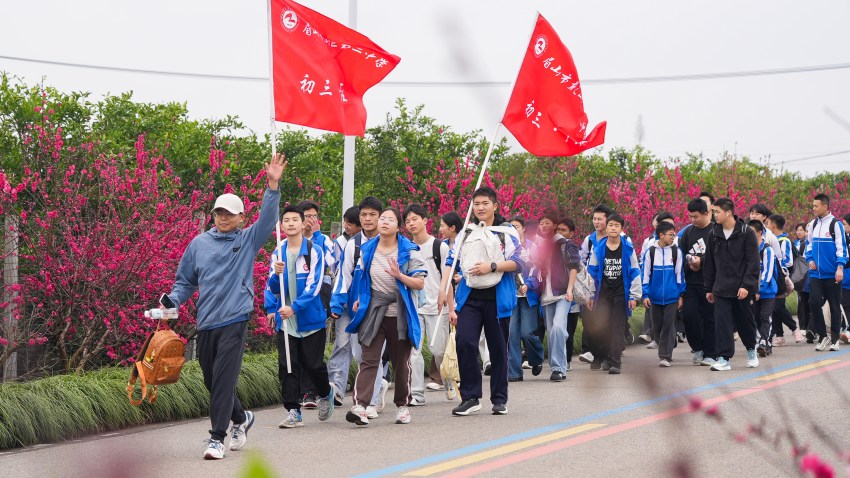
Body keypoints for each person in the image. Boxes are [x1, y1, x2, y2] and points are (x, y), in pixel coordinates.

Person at [165, 153, 285, 460]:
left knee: (223, 380)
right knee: (210, 379)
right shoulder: (199, 244)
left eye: (230, 214)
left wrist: (272, 185)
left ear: (241, 218)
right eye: (219, 212)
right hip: (206, 322)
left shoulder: (247, 240)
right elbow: (185, 281)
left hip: (235, 319)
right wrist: (172, 300)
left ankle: (216, 438)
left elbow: (269, 218)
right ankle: (241, 418)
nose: (223, 218)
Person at [440, 187, 523, 416]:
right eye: (476, 204)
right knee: (465, 343)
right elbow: (451, 261)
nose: (480, 208)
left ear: (495, 206)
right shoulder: (466, 232)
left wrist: (492, 267)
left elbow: (519, 262)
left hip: (498, 299)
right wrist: (443, 289)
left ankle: (499, 398)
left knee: (497, 350)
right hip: (469, 298)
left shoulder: (506, 233)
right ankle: (471, 397)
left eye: (485, 203)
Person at [345, 208, 426, 426]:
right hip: (374, 311)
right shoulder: (368, 248)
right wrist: (362, 299)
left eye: (390, 219)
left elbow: (419, 283)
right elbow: (362, 279)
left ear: (398, 227)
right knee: (369, 359)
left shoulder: (409, 250)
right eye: (383, 218)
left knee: (401, 362)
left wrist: (400, 276)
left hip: (400, 313)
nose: (384, 222)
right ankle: (360, 406)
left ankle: (402, 406)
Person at [265, 205, 335, 429]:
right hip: (287, 322)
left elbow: (314, 287)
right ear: (281, 225)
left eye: (295, 219)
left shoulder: (314, 251)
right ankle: (293, 410)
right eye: (287, 220)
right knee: (287, 366)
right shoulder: (278, 252)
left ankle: (325, 393)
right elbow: (272, 287)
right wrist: (271, 306)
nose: (291, 223)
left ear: (303, 222)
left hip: (309, 319)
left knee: (313, 365)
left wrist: (293, 308)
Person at [328, 197, 386, 417]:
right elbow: (343, 277)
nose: (368, 219)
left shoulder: (389, 241)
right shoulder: (353, 244)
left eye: (373, 214)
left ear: (380, 216)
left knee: (369, 355)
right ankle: (361, 392)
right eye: (364, 215)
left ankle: (369, 402)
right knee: (353, 350)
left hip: (378, 308)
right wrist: (337, 303)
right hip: (352, 309)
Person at [703, 198, 760, 371]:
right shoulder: (713, 234)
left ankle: (751, 350)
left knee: (745, 323)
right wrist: (709, 288)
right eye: (714, 212)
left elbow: (753, 262)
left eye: (717, 212)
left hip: (741, 288)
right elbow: (709, 263)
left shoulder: (745, 232)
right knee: (722, 324)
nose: (715, 216)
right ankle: (724, 358)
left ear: (728, 212)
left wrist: (746, 285)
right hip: (721, 288)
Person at [404, 204, 451, 404]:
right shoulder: (406, 247)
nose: (411, 223)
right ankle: (416, 393)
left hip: (438, 307)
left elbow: (447, 278)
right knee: (414, 350)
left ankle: (450, 382)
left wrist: (451, 306)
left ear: (425, 220)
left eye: (414, 219)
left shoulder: (439, 246)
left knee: (438, 350)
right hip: (414, 307)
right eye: (407, 221)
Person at [586, 214, 642, 374]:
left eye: (616, 225)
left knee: (617, 327)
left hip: (620, 295)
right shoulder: (599, 248)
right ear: (606, 227)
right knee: (603, 327)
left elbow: (635, 271)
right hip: (603, 295)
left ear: (621, 229)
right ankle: (607, 357)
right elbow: (592, 272)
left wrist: (633, 296)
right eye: (610, 225)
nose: (613, 228)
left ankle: (615, 362)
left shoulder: (627, 248)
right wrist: (591, 295)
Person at [531, 211, 580, 380]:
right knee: (552, 332)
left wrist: (569, 289)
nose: (543, 226)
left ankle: (559, 367)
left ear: (554, 226)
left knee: (559, 328)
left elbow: (574, 266)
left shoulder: (565, 244)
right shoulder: (541, 247)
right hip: (546, 296)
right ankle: (556, 368)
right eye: (541, 223)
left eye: (547, 222)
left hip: (562, 295)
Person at [805, 193, 847, 351]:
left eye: (816, 206)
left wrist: (840, 267)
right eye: (813, 205)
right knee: (813, 303)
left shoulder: (835, 224)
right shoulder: (813, 224)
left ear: (825, 206)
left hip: (833, 275)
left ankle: (835, 339)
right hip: (816, 275)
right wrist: (810, 259)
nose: (813, 208)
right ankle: (823, 336)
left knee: (835, 306)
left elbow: (841, 248)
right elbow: (808, 245)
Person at [641, 221, 685, 367]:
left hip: (672, 297)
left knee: (668, 325)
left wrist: (680, 295)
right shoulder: (651, 253)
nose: (673, 237)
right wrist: (645, 294)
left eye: (674, 234)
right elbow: (645, 275)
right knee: (657, 327)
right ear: (661, 235)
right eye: (670, 235)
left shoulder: (676, 252)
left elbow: (680, 275)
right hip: (655, 297)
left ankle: (665, 356)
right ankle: (669, 342)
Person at [679, 198, 717, 366]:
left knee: (710, 318)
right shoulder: (688, 233)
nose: (692, 220)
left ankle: (710, 352)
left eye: (695, 216)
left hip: (711, 284)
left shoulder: (716, 231)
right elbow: (681, 257)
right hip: (692, 284)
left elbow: (721, 257)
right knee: (689, 316)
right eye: (690, 217)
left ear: (706, 213)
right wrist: (690, 265)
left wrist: (701, 261)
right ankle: (698, 347)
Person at [507, 214, 544, 382]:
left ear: (523, 228)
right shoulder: (506, 248)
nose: (514, 229)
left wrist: (528, 285)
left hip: (528, 296)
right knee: (512, 333)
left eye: (516, 226)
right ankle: (514, 371)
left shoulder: (532, 247)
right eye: (511, 227)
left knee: (527, 332)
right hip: (511, 296)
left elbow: (537, 270)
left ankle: (536, 358)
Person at [577, 205, 615, 365]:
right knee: (589, 319)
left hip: (610, 286)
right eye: (594, 218)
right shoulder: (589, 240)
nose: (596, 222)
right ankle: (595, 352)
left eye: (600, 219)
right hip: (591, 287)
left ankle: (606, 356)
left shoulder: (617, 238)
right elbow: (581, 260)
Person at [638, 211, 675, 348]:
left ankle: (667, 347)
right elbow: (644, 264)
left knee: (669, 320)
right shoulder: (649, 243)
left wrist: (680, 291)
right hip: (655, 285)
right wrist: (645, 290)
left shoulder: (676, 244)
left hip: (671, 289)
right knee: (656, 315)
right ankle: (656, 337)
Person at [764, 214, 802, 345]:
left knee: (778, 306)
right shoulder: (769, 239)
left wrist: (778, 266)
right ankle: (779, 335)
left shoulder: (784, 241)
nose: (766, 226)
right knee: (772, 306)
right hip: (772, 275)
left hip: (781, 277)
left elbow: (788, 261)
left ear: (773, 225)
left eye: (767, 223)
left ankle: (794, 328)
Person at [748, 219, 778, 357]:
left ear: (760, 232)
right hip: (752, 292)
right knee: (756, 319)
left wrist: (760, 289)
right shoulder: (747, 249)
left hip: (767, 292)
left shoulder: (767, 250)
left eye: (752, 232)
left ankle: (764, 342)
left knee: (765, 317)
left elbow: (768, 272)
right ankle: (766, 343)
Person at [557, 217, 582, 369]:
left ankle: (566, 360)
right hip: (555, 295)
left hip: (571, 295)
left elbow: (575, 267)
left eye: (563, 230)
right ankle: (560, 358)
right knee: (557, 328)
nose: (559, 232)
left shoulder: (571, 247)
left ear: (571, 234)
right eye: (558, 229)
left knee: (569, 330)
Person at [793, 222, 813, 341]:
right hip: (800, 277)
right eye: (798, 230)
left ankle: (811, 328)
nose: (799, 232)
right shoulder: (795, 243)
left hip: (809, 276)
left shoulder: (808, 243)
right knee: (802, 302)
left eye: (802, 230)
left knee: (811, 302)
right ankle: (803, 327)